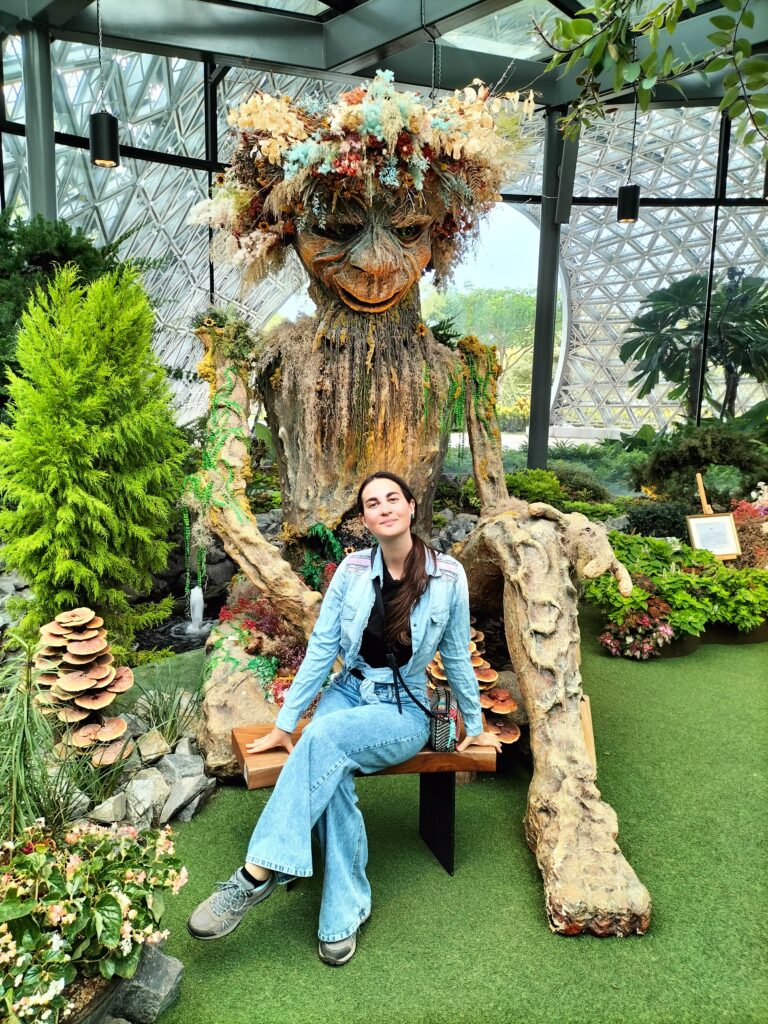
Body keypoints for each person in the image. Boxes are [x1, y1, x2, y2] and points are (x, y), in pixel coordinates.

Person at [187, 470, 501, 965]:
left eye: (392, 498)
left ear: (411, 507)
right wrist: (285, 724)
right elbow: (323, 650)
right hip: (347, 692)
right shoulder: (352, 573)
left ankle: (253, 875)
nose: (384, 508)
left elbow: (457, 656)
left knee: (326, 738)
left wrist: (477, 727)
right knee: (330, 773)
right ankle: (341, 915)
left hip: (402, 710)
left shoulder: (448, 576)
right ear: (365, 520)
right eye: (372, 503)